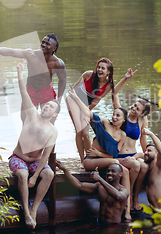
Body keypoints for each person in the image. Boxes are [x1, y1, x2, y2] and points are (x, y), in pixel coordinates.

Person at [67, 85, 134, 221]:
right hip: (90, 161)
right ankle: (127, 208)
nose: (114, 117)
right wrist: (75, 97)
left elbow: (113, 155)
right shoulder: (104, 122)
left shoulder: (122, 134)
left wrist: (99, 152)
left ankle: (128, 208)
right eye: (114, 114)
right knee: (116, 163)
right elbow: (87, 112)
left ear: (123, 120)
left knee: (125, 171)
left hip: (105, 160)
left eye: (118, 116)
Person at [9, 60, 59, 229]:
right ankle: (25, 212)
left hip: (36, 162)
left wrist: (36, 175)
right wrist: (19, 72)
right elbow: (23, 91)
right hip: (19, 158)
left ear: (54, 114)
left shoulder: (53, 131)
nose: (46, 107)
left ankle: (34, 209)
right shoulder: (31, 114)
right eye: (46, 105)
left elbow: (45, 156)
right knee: (22, 175)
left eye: (50, 107)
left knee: (49, 174)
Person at [0, 33, 66, 121]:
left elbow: (62, 80)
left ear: (54, 48)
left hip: (47, 92)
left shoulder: (58, 64)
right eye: (43, 42)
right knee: (26, 121)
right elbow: (11, 52)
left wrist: (58, 100)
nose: (43, 45)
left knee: (49, 121)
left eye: (47, 44)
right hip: (30, 91)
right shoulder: (31, 54)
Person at [112, 68, 152, 212]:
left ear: (142, 113)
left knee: (145, 166)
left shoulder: (142, 121)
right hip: (120, 155)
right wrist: (125, 78)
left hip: (133, 155)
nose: (133, 108)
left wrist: (147, 154)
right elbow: (114, 93)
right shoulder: (122, 115)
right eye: (134, 105)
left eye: (137, 108)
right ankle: (130, 198)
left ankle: (135, 196)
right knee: (136, 165)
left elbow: (143, 141)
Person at [66, 57, 115, 162]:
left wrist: (85, 113)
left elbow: (95, 101)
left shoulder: (109, 85)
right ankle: (82, 161)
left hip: (86, 107)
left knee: (86, 134)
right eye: (99, 67)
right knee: (79, 131)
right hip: (73, 101)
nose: (99, 70)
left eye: (103, 68)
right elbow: (72, 91)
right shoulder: (88, 74)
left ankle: (90, 159)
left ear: (108, 72)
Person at [56, 161, 129, 224]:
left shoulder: (123, 190)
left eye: (113, 171)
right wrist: (65, 170)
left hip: (114, 226)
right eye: (108, 171)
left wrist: (99, 179)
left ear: (120, 174)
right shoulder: (100, 186)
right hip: (101, 224)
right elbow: (79, 185)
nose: (109, 173)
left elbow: (118, 196)